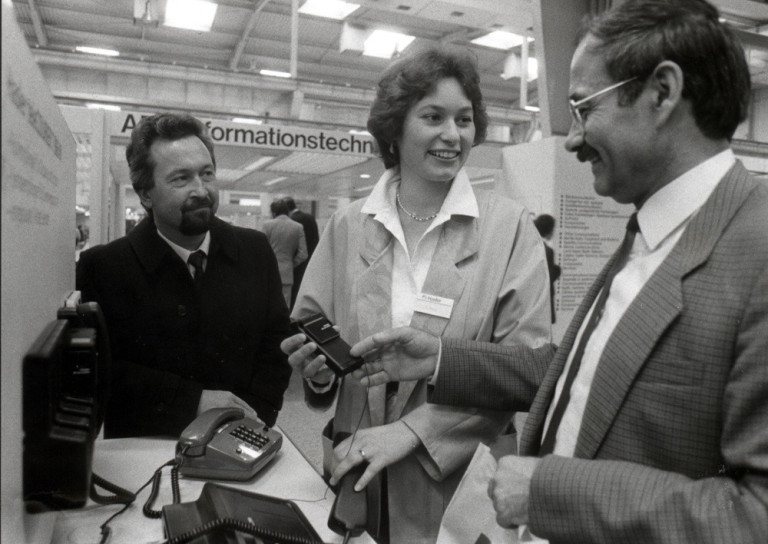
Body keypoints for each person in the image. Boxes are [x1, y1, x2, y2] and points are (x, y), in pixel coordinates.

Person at [338, 1, 768, 543]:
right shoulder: (652, 230)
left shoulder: (755, 252)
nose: (571, 138)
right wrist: (439, 357)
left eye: (585, 108)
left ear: (662, 92)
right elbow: (576, 373)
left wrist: (551, 492)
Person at [282, 46, 552, 543]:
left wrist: (409, 433)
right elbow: (314, 329)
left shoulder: (510, 229)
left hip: (460, 479)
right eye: (433, 117)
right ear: (394, 128)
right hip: (358, 471)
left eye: (465, 119)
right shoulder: (348, 225)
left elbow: (524, 367)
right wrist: (317, 376)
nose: (453, 135)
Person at [77, 113, 293, 438]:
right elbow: (98, 372)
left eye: (207, 174)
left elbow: (275, 344)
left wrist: (252, 417)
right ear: (145, 194)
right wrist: (190, 402)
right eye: (181, 179)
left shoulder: (254, 250)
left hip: (241, 438)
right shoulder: (103, 268)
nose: (201, 190)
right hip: (145, 450)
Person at [262, 198, 308, 307]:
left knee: (267, 304)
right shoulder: (298, 227)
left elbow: (261, 249)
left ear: (273, 212)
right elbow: (303, 254)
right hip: (287, 273)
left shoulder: (267, 225)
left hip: (269, 273)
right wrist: (291, 263)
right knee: (284, 307)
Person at [284, 196, 320, 309]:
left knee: (294, 293)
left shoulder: (292, 221)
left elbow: (292, 245)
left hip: (297, 263)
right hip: (311, 261)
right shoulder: (310, 218)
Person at [533, 214, 561, 322]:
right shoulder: (547, 251)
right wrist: (558, 270)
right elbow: (548, 276)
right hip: (543, 300)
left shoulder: (530, 247)